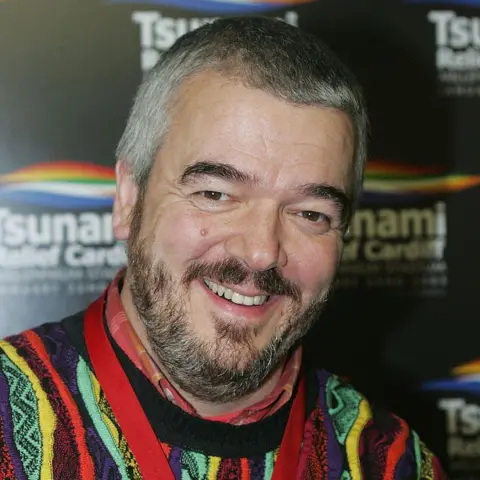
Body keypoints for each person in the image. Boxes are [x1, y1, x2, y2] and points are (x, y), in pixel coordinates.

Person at [0, 16, 445, 480]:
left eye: (311, 214)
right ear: (129, 197)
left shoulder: (393, 463)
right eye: (215, 194)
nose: (260, 252)